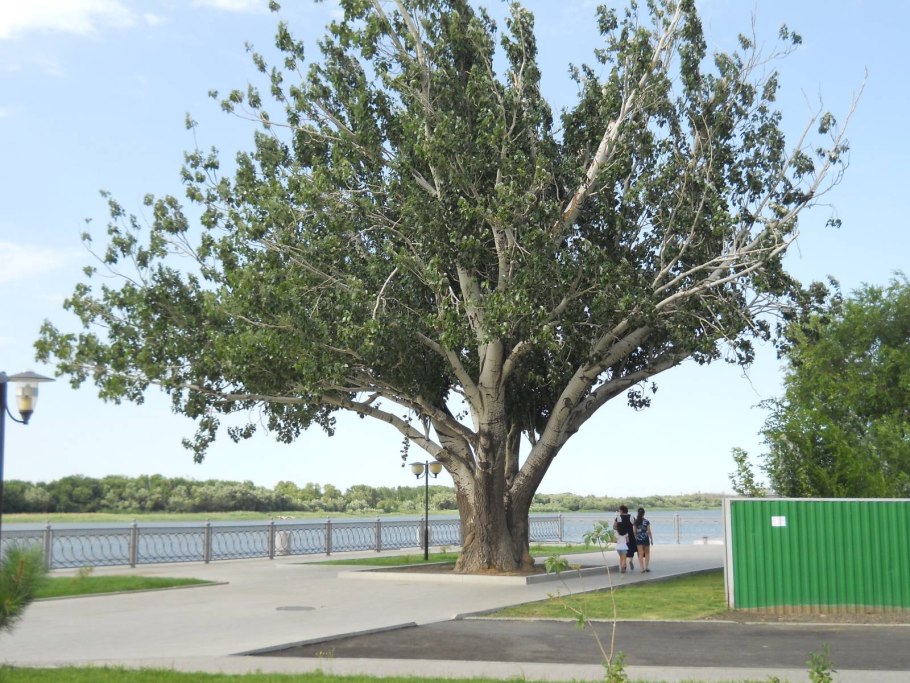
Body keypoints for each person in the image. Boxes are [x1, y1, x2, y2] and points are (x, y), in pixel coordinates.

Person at [612, 505, 636, 574]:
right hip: (630, 535)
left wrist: (619, 530)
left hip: (621, 535)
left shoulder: (618, 517)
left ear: (622, 510)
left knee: (622, 554)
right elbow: (635, 526)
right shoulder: (632, 517)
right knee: (631, 549)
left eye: (619, 510)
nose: (619, 511)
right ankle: (631, 560)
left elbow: (614, 527)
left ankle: (623, 566)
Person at [633, 506, 654, 573]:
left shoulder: (635, 521)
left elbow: (634, 531)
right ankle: (646, 567)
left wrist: (635, 538)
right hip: (645, 538)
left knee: (640, 554)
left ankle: (642, 568)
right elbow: (649, 531)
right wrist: (651, 539)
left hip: (638, 539)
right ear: (644, 513)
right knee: (647, 553)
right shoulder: (646, 521)